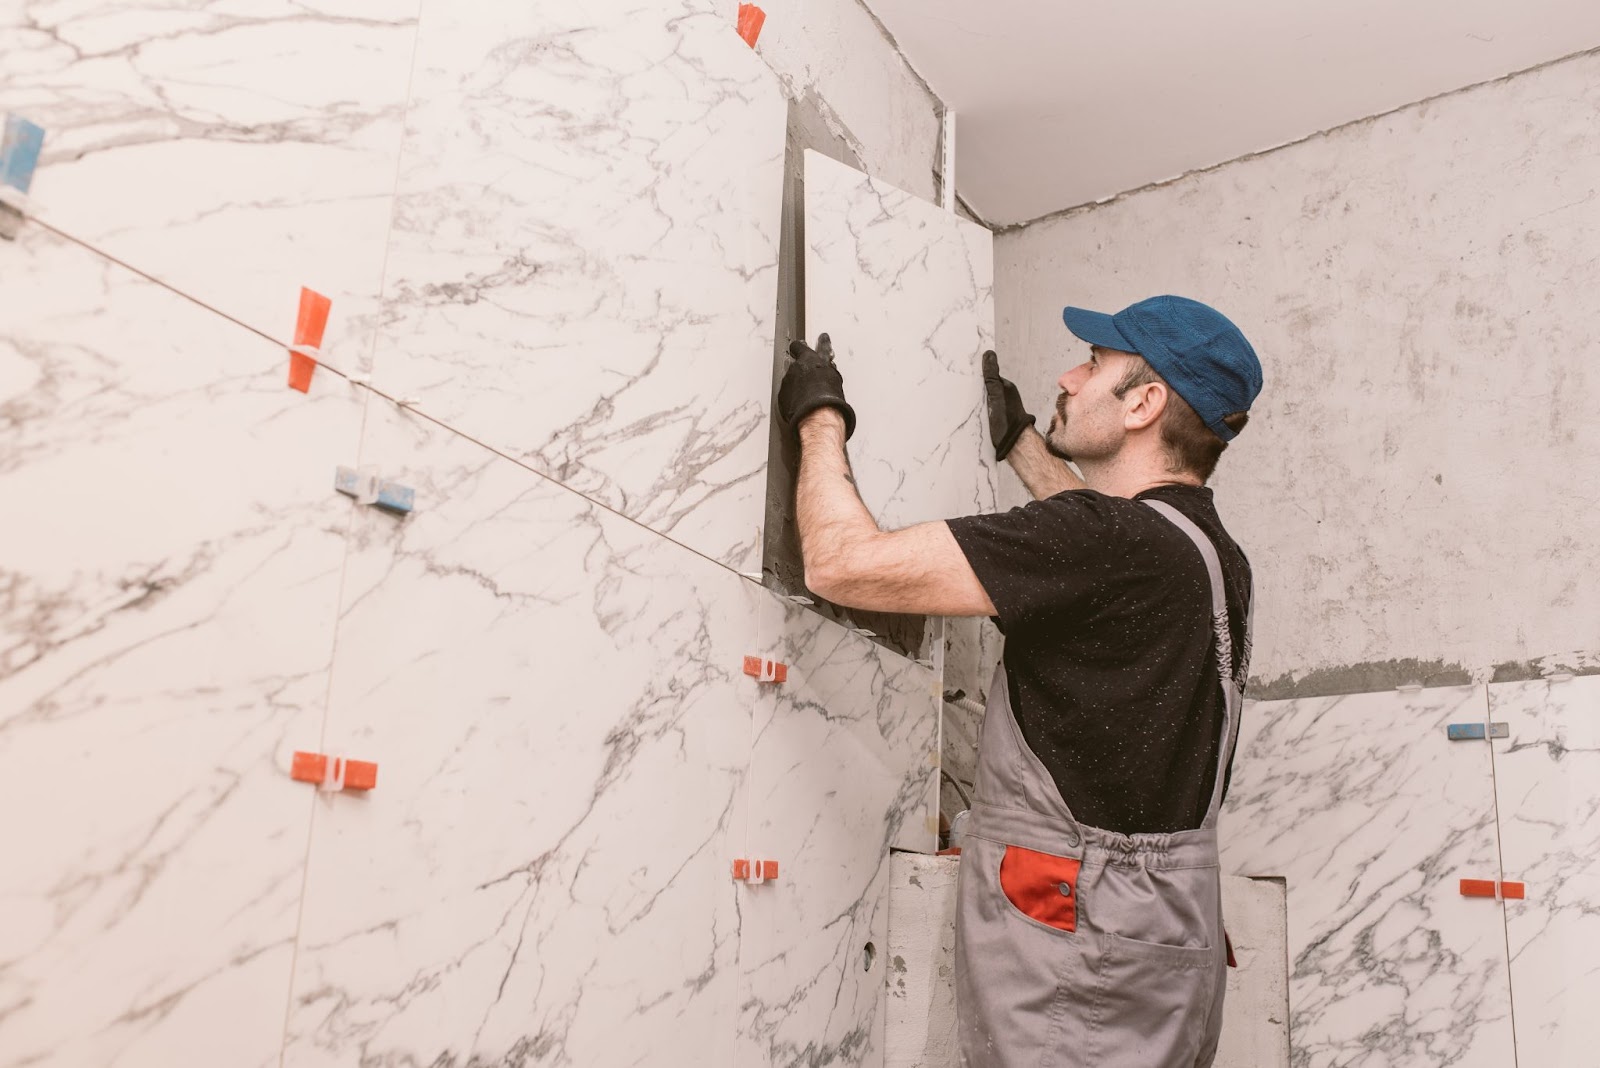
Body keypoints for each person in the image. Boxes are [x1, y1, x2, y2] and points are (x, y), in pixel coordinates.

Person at [776, 295, 1262, 1067]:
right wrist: (1022, 445)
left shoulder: (1106, 542)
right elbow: (1093, 546)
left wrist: (821, 418)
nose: (1068, 376)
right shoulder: (1206, 553)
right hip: (1167, 927)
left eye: (1095, 364)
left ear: (1144, 402)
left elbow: (841, 564)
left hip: (1087, 940)